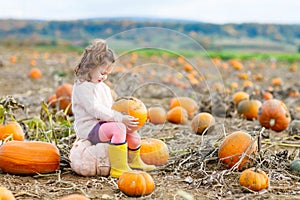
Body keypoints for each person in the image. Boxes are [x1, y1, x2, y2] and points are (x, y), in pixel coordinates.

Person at [72, 39, 155, 178]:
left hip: (103, 125)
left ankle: (134, 161)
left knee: (132, 132)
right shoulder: (82, 87)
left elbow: (110, 107)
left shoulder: (102, 87)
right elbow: (95, 109)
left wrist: (126, 116)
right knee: (119, 128)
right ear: (91, 67)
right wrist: (119, 118)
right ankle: (118, 168)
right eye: (102, 73)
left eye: (107, 74)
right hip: (89, 128)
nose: (104, 77)